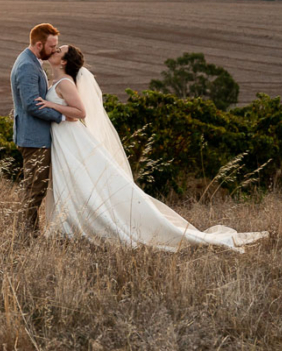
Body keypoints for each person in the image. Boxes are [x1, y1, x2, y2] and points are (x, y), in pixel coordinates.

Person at [35, 44, 268, 252]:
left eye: (58, 51)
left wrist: (50, 105)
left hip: (72, 139)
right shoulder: (55, 81)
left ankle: (82, 227)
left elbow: (79, 113)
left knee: (83, 183)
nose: (54, 51)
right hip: (64, 140)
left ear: (64, 61)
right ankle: (68, 227)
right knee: (73, 183)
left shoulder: (65, 83)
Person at [10, 23, 80, 236]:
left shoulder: (33, 61)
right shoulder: (27, 66)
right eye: (52, 46)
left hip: (36, 137)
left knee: (35, 188)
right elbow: (32, 104)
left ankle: (29, 231)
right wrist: (61, 115)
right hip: (34, 138)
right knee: (34, 189)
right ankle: (27, 235)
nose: (54, 50)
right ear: (39, 44)